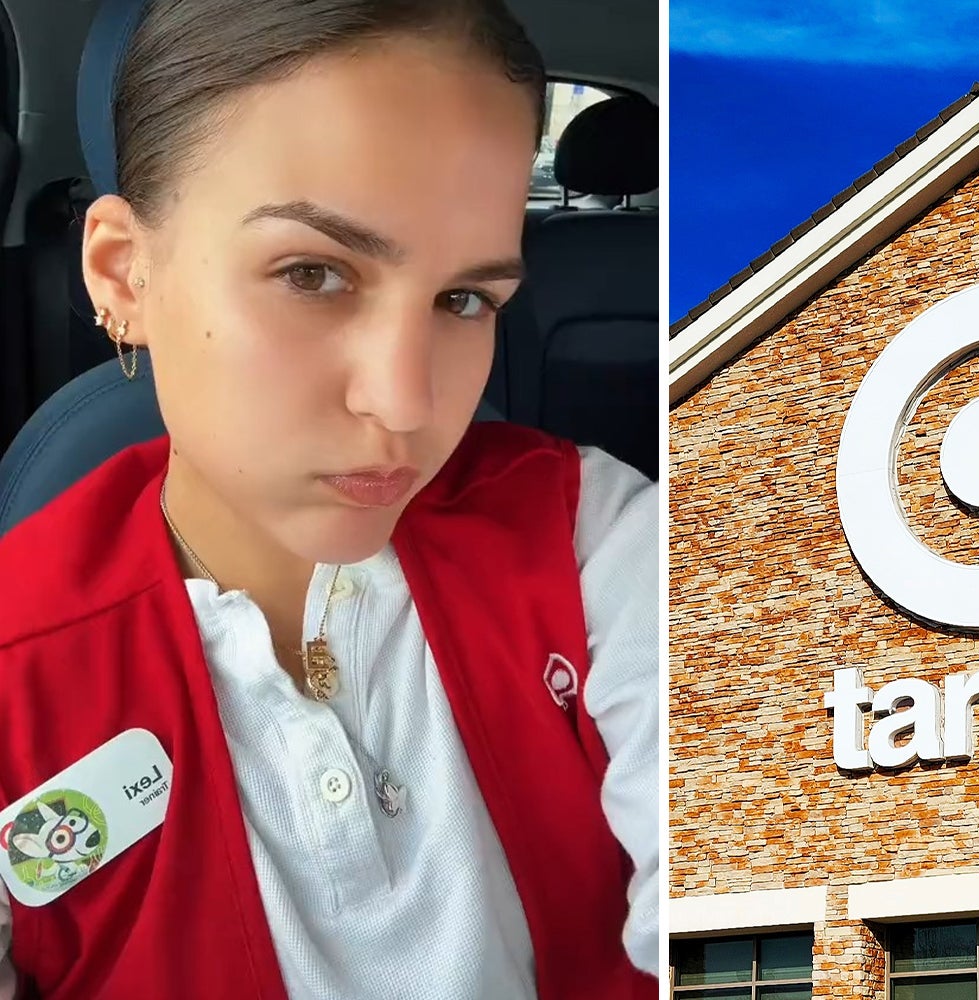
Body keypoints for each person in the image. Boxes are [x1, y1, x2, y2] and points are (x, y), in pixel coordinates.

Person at [0, 1, 658, 998]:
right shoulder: (16, 660)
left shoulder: (594, 538)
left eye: (463, 299)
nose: (406, 401)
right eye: (312, 273)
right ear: (123, 274)